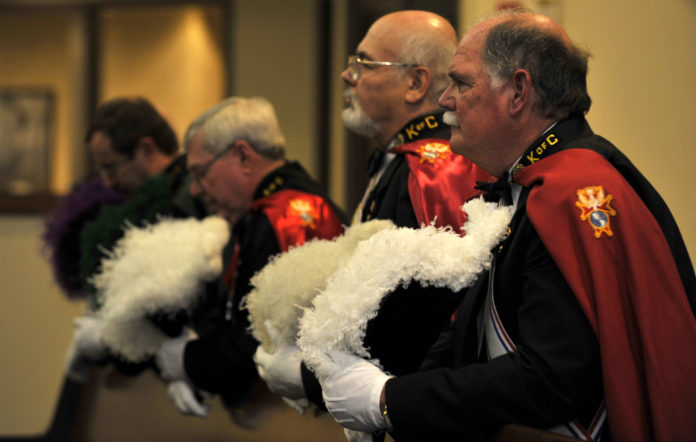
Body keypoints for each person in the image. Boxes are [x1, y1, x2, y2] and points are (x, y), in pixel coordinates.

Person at [316, 9, 696, 441]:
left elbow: (551, 379)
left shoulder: (573, 192)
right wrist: (393, 394)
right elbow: (473, 338)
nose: (445, 99)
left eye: (461, 83)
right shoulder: (531, 181)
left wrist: (387, 399)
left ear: (517, 91)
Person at [254, 9, 490, 415]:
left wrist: (317, 377)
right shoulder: (402, 159)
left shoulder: (434, 169)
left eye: (363, 63)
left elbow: (420, 314)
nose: (348, 76)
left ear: (416, 83)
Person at [154, 96, 348, 416]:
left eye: (200, 172)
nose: (195, 190)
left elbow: (265, 342)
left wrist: (187, 360)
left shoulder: (286, 219)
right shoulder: (268, 211)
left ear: (243, 156)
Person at [68, 97, 208, 379]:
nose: (106, 182)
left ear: (146, 149)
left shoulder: (186, 200)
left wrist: (109, 338)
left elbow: (175, 311)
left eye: (111, 167)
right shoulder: (151, 199)